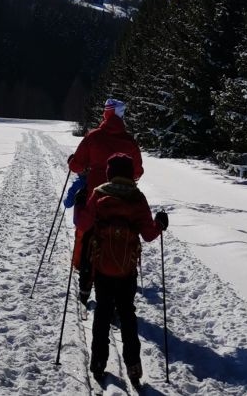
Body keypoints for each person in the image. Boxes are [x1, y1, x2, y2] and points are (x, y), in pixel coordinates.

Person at [76, 152, 168, 388]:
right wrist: (160, 224)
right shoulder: (137, 198)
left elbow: (83, 224)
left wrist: (79, 205)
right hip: (126, 269)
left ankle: (98, 362)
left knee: (103, 313)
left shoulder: (99, 194)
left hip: (102, 266)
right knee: (127, 313)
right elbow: (148, 234)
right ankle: (134, 366)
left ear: (110, 172)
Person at [67, 98, 144, 306]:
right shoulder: (129, 140)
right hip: (124, 199)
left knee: (90, 238)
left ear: (106, 115)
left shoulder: (94, 137)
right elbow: (138, 171)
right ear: (120, 116)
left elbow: (76, 165)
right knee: (121, 240)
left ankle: (84, 288)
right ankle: (121, 295)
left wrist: (73, 162)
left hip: (96, 196)